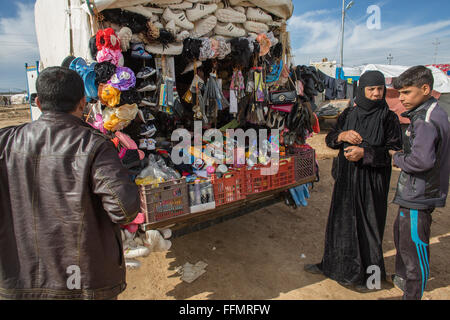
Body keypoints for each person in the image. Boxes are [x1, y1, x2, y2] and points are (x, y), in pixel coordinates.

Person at [0, 67, 140, 300]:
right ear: (83, 102)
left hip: (20, 282)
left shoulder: (5, 143)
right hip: (83, 282)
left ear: (37, 102)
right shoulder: (94, 145)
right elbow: (125, 209)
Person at [304, 71, 403, 292]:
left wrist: (365, 153)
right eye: (371, 89)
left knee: (369, 228)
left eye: (380, 89)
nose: (377, 94)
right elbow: (330, 140)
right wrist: (342, 136)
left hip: (372, 181)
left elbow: (394, 152)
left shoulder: (389, 118)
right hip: (346, 179)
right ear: (362, 90)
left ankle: (372, 280)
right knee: (340, 223)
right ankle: (333, 267)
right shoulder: (349, 114)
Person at [389, 66, 450, 300]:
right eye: (400, 93)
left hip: (419, 194)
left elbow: (421, 160)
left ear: (425, 89)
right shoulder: (435, 111)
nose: (401, 98)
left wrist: (397, 157)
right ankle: (405, 283)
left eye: (406, 92)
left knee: (414, 250)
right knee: (404, 240)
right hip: (419, 191)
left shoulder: (425, 119)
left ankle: (412, 295)